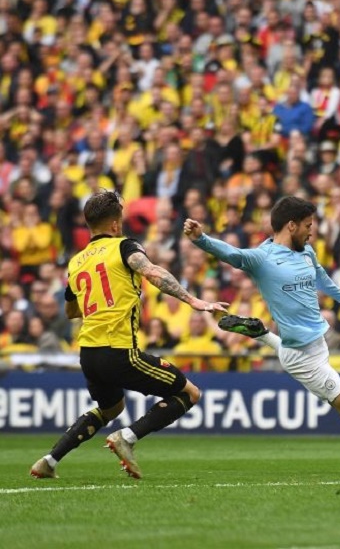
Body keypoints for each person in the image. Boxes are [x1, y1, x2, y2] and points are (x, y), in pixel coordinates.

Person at [184, 196, 340, 474]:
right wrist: (200, 238)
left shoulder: (307, 252)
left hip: (314, 345)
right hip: (302, 357)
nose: (311, 231)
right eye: (307, 225)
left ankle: (262, 333)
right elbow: (232, 254)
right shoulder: (262, 258)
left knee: (306, 367)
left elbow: (322, 278)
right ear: (291, 226)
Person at [30, 191, 228, 480]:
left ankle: (49, 460)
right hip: (119, 350)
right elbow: (151, 271)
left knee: (110, 408)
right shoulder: (125, 246)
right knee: (189, 393)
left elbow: (72, 310)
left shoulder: (76, 262)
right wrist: (192, 301)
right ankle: (128, 437)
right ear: (114, 224)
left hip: (88, 353)